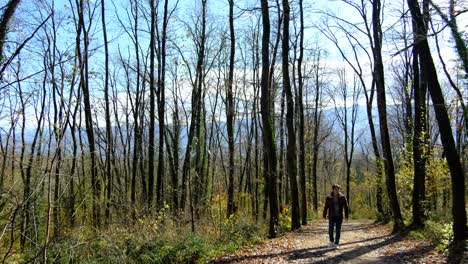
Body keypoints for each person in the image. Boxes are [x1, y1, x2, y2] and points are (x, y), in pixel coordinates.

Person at [323, 184, 349, 249]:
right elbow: (326, 207)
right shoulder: (328, 197)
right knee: (330, 230)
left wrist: (346, 216)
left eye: (338, 189)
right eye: (335, 189)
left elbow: (346, 207)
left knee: (338, 230)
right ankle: (331, 242)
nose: (337, 190)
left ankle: (336, 244)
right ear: (333, 189)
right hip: (331, 216)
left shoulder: (342, 197)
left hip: (339, 216)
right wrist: (324, 215)